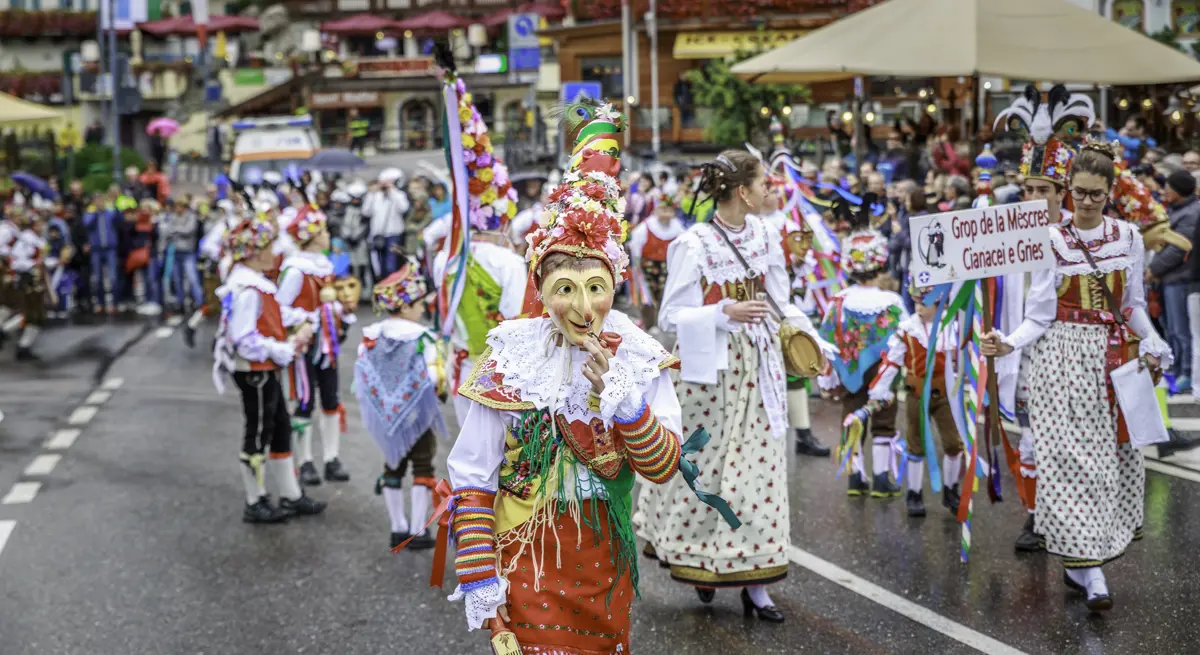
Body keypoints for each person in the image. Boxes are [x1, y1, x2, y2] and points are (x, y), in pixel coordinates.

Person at [440, 98, 685, 653]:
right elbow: (474, 474)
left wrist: (622, 404)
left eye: (595, 287)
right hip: (525, 553)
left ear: (614, 286)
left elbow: (663, 466)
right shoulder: (513, 356)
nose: (581, 306)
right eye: (564, 289)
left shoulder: (637, 356)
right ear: (542, 291)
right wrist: (480, 577)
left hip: (603, 556)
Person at [636, 150, 826, 622]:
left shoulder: (766, 235)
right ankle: (703, 565)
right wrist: (723, 313)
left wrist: (814, 342)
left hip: (760, 369)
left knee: (759, 477)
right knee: (708, 475)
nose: (772, 191)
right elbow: (669, 317)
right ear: (742, 191)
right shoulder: (695, 243)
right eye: (765, 184)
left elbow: (780, 301)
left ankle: (756, 584)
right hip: (713, 375)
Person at [981, 141, 1170, 612]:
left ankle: (1080, 562)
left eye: (1096, 195)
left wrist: (1152, 340)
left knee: (1108, 466)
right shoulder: (1051, 240)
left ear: (1110, 193)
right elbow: (1040, 313)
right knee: (1070, 465)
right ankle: (1092, 574)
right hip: (1062, 360)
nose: (1086, 202)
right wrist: (1008, 342)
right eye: (1079, 193)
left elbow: (1131, 306)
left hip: (1112, 363)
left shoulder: (1128, 238)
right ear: (1067, 191)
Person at [213, 214, 326, 523]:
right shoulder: (247, 289)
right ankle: (255, 499)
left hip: (264, 369)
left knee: (280, 429)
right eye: (267, 247)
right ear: (252, 252)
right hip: (255, 371)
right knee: (258, 432)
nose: (273, 252)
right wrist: (285, 349)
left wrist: (301, 319)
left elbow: (273, 314)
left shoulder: (255, 285)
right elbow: (244, 338)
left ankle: (290, 495)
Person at [430, 74, 526, 426]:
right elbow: (517, 324)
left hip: (461, 370)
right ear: (502, 219)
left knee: (471, 463)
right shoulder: (508, 262)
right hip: (501, 376)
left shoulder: (446, 258)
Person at [817, 195, 908, 497]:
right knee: (883, 420)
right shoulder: (893, 303)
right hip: (884, 374)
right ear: (880, 261)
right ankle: (882, 478)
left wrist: (827, 377)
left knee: (851, 414)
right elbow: (905, 338)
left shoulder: (839, 301)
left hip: (851, 374)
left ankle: (855, 476)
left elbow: (826, 341)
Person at [354, 263, 448, 549]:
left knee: (392, 464)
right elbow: (434, 376)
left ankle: (397, 527)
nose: (422, 309)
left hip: (387, 415)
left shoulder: (372, 336)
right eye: (419, 304)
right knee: (423, 464)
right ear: (405, 306)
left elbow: (363, 370)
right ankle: (418, 531)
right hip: (419, 416)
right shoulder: (423, 338)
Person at [276, 204, 357, 485]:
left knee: (332, 399)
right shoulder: (296, 270)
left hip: (327, 344)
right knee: (305, 401)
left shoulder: (324, 265)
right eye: (321, 230)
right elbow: (279, 308)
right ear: (309, 237)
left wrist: (342, 310)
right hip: (305, 345)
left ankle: (331, 458)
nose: (327, 234)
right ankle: (305, 460)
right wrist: (305, 321)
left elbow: (329, 303)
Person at [871, 284, 963, 517]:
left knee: (953, 444)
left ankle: (951, 489)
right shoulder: (907, 330)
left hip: (944, 396)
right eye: (916, 303)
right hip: (916, 396)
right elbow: (892, 362)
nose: (919, 308)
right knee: (916, 444)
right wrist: (880, 390)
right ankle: (914, 493)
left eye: (925, 303)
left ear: (939, 304)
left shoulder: (950, 326)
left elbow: (962, 358)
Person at [1149, 170, 1200, 392]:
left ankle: (1187, 372)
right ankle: (1178, 367)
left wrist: (1154, 268)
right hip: (1170, 278)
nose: (1165, 190)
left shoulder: (1191, 213)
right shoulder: (1177, 210)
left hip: (1182, 278)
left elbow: (1179, 249)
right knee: (1171, 328)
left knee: (1182, 330)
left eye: (1169, 186)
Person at [627, 188, 684, 332]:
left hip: (668, 269)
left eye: (669, 210)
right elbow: (635, 247)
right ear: (656, 210)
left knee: (666, 296)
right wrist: (637, 268)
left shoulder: (678, 228)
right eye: (663, 210)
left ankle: (663, 322)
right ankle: (649, 324)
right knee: (647, 299)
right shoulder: (646, 227)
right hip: (647, 269)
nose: (666, 214)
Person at [5, 206, 47, 360]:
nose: (41, 227)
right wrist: (33, 265)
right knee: (31, 315)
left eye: (41, 224)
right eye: (38, 224)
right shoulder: (26, 239)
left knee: (37, 316)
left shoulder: (39, 239)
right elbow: (17, 261)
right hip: (27, 280)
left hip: (36, 279)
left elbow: (42, 261)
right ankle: (7, 333)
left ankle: (23, 346)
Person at [363, 168, 409, 279]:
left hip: (393, 235)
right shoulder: (375, 196)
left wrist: (392, 191)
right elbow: (365, 212)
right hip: (378, 236)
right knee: (379, 267)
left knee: (391, 266)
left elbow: (403, 208)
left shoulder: (398, 195)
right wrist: (371, 194)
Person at [84, 191, 124, 314]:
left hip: (110, 249)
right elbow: (87, 224)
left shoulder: (110, 213)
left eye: (101, 200)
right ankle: (100, 303)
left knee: (113, 277)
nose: (100, 203)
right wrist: (96, 212)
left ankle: (115, 303)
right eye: (97, 201)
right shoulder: (90, 214)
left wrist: (116, 205)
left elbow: (119, 220)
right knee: (97, 278)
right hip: (96, 249)